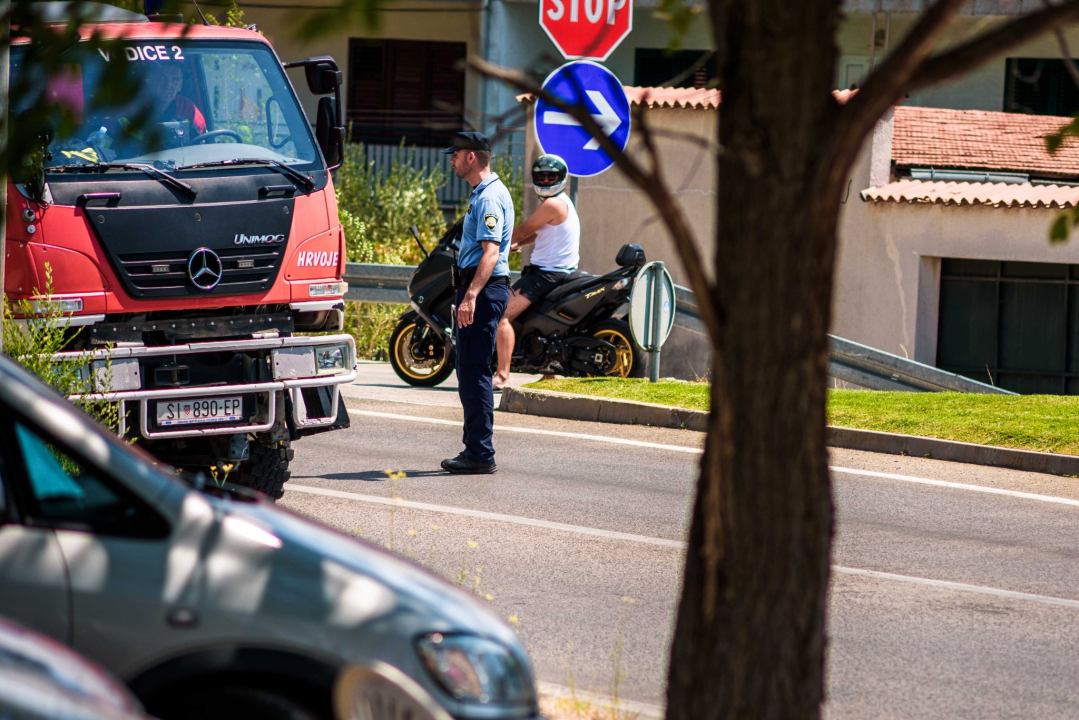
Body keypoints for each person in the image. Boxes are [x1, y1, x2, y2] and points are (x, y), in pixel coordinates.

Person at [440, 131, 513, 475]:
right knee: (470, 372)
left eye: (455, 153)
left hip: (482, 291)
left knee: (474, 373)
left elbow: (492, 252)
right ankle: (474, 449)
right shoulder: (484, 193)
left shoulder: (487, 198)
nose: (451, 158)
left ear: (471, 156)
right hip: (481, 288)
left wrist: (471, 295)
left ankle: (480, 454)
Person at [493, 154, 580, 388]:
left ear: (562, 178)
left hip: (544, 274)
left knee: (501, 315)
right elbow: (541, 233)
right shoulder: (563, 202)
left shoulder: (551, 204)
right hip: (557, 272)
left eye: (551, 176)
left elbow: (524, 229)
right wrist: (517, 245)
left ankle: (502, 376)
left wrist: (491, 243)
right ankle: (548, 373)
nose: (545, 181)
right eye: (541, 176)